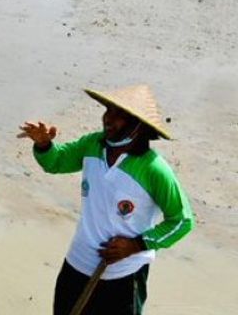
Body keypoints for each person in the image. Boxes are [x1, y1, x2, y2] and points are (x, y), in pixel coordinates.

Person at [20, 85, 194, 315]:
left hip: (123, 275)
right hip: (77, 264)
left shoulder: (154, 170)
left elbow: (182, 221)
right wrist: (43, 145)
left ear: (138, 125)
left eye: (118, 115)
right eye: (108, 111)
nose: (108, 119)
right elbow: (56, 162)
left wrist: (136, 245)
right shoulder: (93, 145)